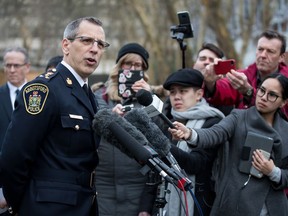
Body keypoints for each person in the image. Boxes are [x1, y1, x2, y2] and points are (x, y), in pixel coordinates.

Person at [0, 16, 109, 216]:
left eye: (101, 44)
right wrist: (22, 204)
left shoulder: (86, 93)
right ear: (66, 45)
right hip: (47, 207)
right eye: (86, 41)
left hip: (83, 204)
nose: (95, 49)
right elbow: (13, 157)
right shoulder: (44, 90)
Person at [169, 73, 288, 215]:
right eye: (262, 90)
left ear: (283, 102)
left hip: (273, 208)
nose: (263, 97)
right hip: (236, 204)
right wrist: (190, 133)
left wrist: (273, 172)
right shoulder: (239, 117)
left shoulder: (286, 130)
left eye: (272, 95)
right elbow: (214, 133)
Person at [94, 43, 157, 216]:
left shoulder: (150, 99)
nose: (133, 69)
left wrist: (149, 99)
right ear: (119, 66)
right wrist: (109, 117)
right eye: (128, 64)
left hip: (136, 182)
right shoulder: (100, 95)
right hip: (103, 182)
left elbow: (159, 132)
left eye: (138, 66)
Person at [161, 68, 225, 216]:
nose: (176, 97)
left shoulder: (213, 122)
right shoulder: (168, 121)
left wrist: (162, 145)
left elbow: (196, 164)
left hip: (199, 203)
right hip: (165, 201)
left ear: (199, 94)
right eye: (172, 92)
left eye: (183, 91)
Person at [203, 30, 288, 119]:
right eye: (260, 49)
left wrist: (249, 92)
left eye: (270, 51)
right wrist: (210, 83)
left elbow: (283, 114)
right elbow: (224, 88)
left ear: (281, 57)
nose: (263, 55)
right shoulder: (244, 75)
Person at [0, 47, 30, 215]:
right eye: (8, 65)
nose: (11, 70)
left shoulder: (39, 95)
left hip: (31, 178)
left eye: (16, 65)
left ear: (27, 67)